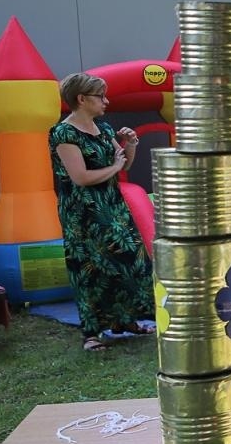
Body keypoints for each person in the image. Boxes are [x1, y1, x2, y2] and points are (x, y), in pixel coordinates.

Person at [49, 72, 153, 352]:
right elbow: (80, 177)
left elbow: (124, 164)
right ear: (82, 99)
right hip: (83, 212)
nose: (106, 101)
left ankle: (126, 319)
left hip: (111, 205)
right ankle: (92, 333)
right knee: (90, 267)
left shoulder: (103, 129)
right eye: (100, 97)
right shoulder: (64, 133)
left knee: (132, 258)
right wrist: (116, 168)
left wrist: (130, 145)